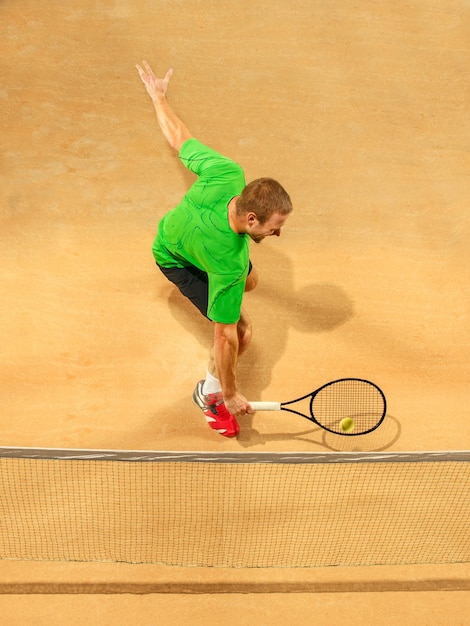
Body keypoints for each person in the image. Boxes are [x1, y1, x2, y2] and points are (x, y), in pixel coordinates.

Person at [136, 61, 293, 438]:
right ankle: (208, 395)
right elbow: (225, 337)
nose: (279, 234)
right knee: (241, 327)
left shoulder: (228, 174)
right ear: (252, 219)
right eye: (275, 227)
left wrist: (158, 97)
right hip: (174, 257)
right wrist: (232, 391)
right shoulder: (229, 262)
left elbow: (179, 138)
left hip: (190, 236)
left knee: (251, 282)